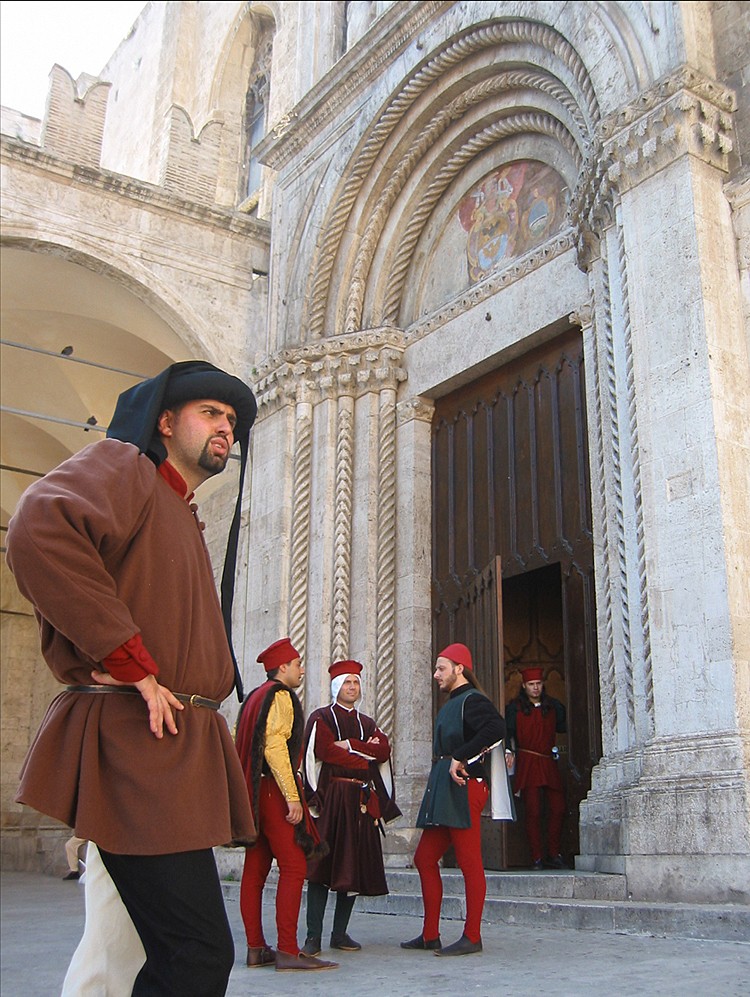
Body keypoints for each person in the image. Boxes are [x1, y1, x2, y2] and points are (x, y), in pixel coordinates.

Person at [6, 360, 259, 996]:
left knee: (120, 951)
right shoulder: (128, 468)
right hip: (140, 741)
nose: (225, 428)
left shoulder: (177, 505)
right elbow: (40, 522)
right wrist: (130, 661)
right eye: (211, 414)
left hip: (172, 748)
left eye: (231, 420)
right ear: (166, 422)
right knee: (196, 952)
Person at [235, 637, 338, 973]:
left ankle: (255, 948)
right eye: (297, 664)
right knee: (294, 867)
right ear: (283, 668)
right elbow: (274, 747)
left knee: (254, 871)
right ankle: (288, 951)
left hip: (254, 792)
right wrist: (293, 797)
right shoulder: (280, 696)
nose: (302, 669)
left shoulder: (253, 697)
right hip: (273, 791)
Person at [401, 643, 507, 957]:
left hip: (464, 788)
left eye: (441, 669)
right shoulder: (453, 703)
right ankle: (430, 934)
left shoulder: (472, 700)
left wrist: (460, 756)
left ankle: (472, 936)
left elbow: (497, 727)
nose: (436, 675)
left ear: (459, 669)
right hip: (446, 789)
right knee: (423, 859)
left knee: (469, 862)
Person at [301, 659, 401, 956]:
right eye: (347, 682)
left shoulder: (367, 722)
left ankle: (340, 933)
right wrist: (362, 751)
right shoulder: (321, 718)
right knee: (322, 867)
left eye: (356, 683)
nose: (353, 688)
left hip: (360, 801)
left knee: (352, 866)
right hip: (332, 800)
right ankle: (313, 937)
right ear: (336, 687)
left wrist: (350, 745)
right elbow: (324, 751)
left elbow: (383, 750)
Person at [505, 666, 567, 869]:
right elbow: (508, 733)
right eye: (531, 685)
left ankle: (554, 853)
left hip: (548, 761)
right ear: (524, 686)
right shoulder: (515, 708)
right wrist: (508, 751)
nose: (535, 688)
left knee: (557, 808)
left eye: (538, 684)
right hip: (529, 762)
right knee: (533, 811)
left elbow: (563, 726)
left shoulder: (553, 707)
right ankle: (537, 857)